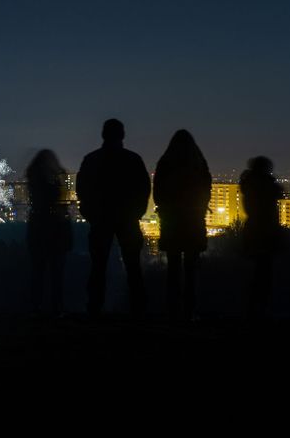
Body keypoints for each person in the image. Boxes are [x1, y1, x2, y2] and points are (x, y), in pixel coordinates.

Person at [76, 119, 151, 318]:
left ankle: (94, 309)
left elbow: (82, 190)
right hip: (127, 220)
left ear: (103, 135)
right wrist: (136, 213)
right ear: (122, 135)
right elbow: (144, 189)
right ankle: (138, 309)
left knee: (98, 266)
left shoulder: (91, 160)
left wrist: (91, 214)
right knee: (133, 266)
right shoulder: (133, 160)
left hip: (101, 220)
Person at [153, 130, 211, 323]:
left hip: (172, 223)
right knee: (191, 271)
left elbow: (158, 194)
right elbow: (206, 191)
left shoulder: (165, 164)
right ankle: (189, 311)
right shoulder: (198, 164)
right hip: (193, 222)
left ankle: (172, 311)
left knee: (173, 269)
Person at [26, 149, 72, 317]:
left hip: (37, 232)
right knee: (56, 274)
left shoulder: (33, 182)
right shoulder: (49, 184)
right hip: (54, 233)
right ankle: (56, 308)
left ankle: (36, 307)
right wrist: (63, 179)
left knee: (38, 273)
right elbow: (60, 203)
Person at [239, 156, 284, 321]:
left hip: (254, 232)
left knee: (258, 271)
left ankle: (253, 309)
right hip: (264, 232)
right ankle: (260, 310)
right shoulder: (262, 185)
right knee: (263, 272)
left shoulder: (250, 184)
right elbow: (275, 195)